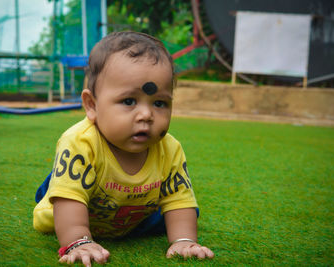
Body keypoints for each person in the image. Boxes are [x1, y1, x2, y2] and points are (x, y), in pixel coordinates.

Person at [33, 31, 214, 266]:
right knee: (65, 194)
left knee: (181, 215)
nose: (147, 115)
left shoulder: (170, 149)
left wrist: (183, 240)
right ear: (92, 105)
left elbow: (179, 200)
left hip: (132, 215)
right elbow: (70, 202)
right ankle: (52, 191)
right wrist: (79, 241)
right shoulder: (80, 141)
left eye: (159, 103)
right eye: (129, 101)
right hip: (75, 207)